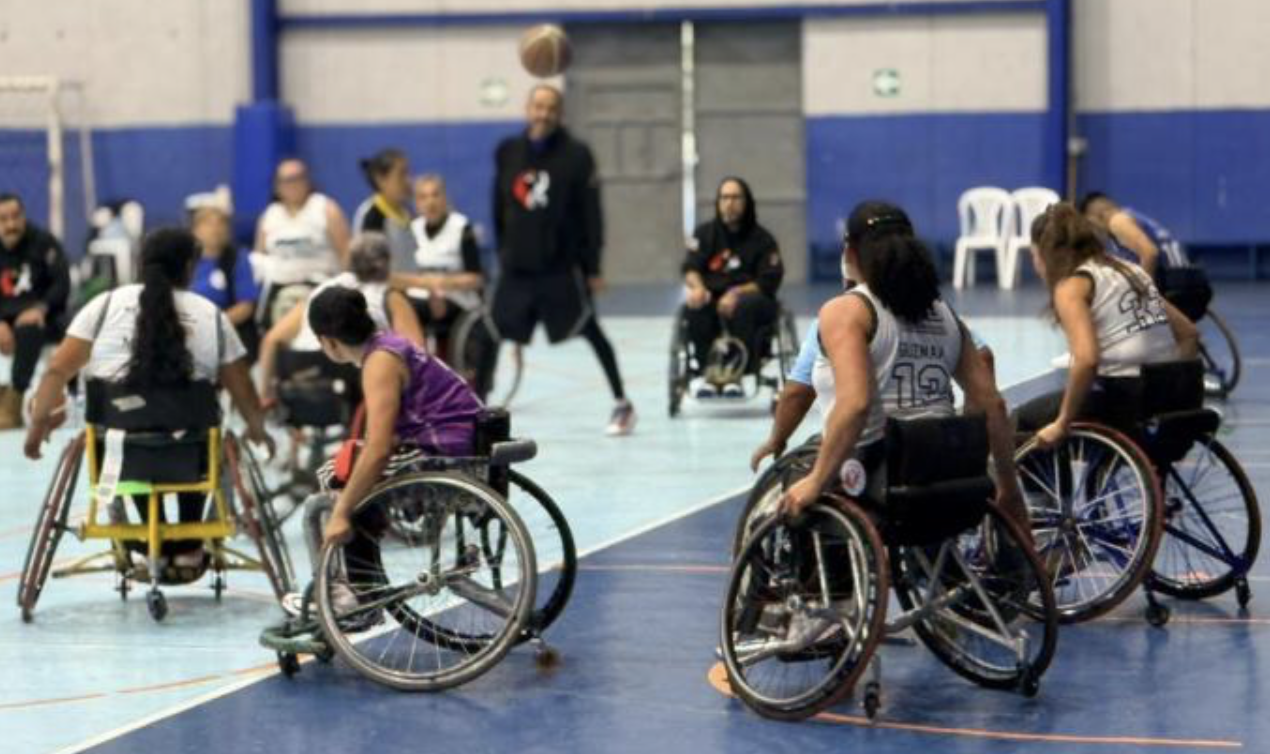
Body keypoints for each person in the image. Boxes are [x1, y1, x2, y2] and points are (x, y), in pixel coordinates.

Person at [23, 228, 273, 567]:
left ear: (141, 263)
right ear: (189, 267)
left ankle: (141, 535)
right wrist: (258, 430)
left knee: (121, 428)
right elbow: (241, 387)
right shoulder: (211, 315)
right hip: (192, 455)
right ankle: (190, 539)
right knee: (211, 436)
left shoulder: (103, 306)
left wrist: (37, 426)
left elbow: (56, 371)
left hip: (118, 454)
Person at [776, 201, 1026, 536]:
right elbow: (992, 405)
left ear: (850, 251)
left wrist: (816, 482)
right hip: (951, 474)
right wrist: (1009, 489)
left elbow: (855, 405)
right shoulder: (945, 314)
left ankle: (819, 569)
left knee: (790, 485)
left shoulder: (847, 310)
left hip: (878, 477)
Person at [280, 285, 485, 619]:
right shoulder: (390, 345)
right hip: (463, 444)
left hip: (446, 454)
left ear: (327, 341)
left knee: (337, 479)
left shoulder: (380, 362)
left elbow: (378, 450)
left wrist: (341, 513)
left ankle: (351, 595)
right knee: (348, 466)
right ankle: (364, 584)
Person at [491, 84, 634, 435]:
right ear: (527, 109)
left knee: (590, 330)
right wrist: (503, 253)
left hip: (560, 268)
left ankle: (622, 403)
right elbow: (499, 208)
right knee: (489, 332)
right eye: (538, 106)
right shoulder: (508, 152)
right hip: (517, 268)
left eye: (551, 108)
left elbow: (591, 214)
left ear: (560, 114)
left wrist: (593, 267)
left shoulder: (577, 155)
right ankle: (474, 411)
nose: (544, 114)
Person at [1013, 203, 1199, 445]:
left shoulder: (1073, 286)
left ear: (1045, 254)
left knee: (1020, 420)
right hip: (1172, 396)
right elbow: (1189, 334)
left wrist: (1063, 422)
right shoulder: (1131, 270)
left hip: (1125, 399)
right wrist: (1178, 384)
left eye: (1034, 255)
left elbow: (1087, 360)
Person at [258, 232, 425, 408]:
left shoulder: (319, 292)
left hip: (301, 373)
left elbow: (270, 340)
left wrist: (265, 396)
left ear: (349, 260)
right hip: (351, 378)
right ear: (388, 262)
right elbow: (417, 354)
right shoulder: (389, 297)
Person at [682, 177, 784, 398]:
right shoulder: (704, 234)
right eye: (725, 197)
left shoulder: (763, 240)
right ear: (718, 202)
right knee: (696, 305)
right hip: (712, 294)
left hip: (751, 297)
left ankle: (735, 374)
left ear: (747, 202)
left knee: (743, 306)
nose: (729, 203)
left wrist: (736, 293)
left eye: (736, 197)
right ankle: (709, 373)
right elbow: (690, 268)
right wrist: (698, 288)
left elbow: (769, 279)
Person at [0, 193, 70, 428]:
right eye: (3, 219)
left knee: (28, 329)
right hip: (4, 321)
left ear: (23, 216)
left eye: (15, 217)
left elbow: (62, 284)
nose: (11, 224)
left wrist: (40, 308)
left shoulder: (44, 243)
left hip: (43, 320)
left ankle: (13, 404)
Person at [394, 174, 484, 353]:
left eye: (435, 195)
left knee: (425, 307)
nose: (430, 202)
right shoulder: (412, 229)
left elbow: (476, 279)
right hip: (421, 296)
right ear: (416, 203)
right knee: (397, 305)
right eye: (423, 197)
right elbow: (402, 275)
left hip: (457, 299)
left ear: (445, 198)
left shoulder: (461, 227)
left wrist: (441, 284)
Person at [255, 158, 351, 325]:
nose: (293, 185)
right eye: (286, 180)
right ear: (277, 186)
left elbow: (347, 255)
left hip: (319, 286)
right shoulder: (269, 215)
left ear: (308, 181)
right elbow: (259, 259)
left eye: (298, 178)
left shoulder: (326, 209)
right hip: (278, 288)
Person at [190, 205, 261, 361]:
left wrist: (211, 327)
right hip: (189, 329)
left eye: (221, 224)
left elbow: (245, 307)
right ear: (195, 230)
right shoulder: (184, 260)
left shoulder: (237, 258)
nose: (215, 229)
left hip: (226, 331)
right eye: (208, 224)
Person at [1078, 192, 1187, 279]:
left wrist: (1144, 293)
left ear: (1096, 216)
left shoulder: (1117, 221)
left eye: (1089, 224)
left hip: (1174, 281)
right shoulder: (1130, 216)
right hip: (1180, 277)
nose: (1093, 231)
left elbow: (1150, 253)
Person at [352, 148, 416, 274]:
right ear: (381, 179)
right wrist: (424, 282)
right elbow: (371, 273)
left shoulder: (406, 212)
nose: (409, 180)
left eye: (408, 173)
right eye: (402, 174)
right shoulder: (372, 216)